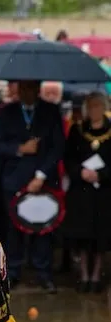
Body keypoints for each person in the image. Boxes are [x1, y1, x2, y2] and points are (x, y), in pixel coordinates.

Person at [0, 80, 65, 294]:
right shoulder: (8, 112)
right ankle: (13, 271)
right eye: (22, 89)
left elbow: (58, 146)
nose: (26, 93)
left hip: (43, 179)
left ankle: (44, 273)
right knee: (13, 229)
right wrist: (20, 148)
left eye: (31, 89)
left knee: (43, 227)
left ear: (38, 90)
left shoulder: (50, 112)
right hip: (14, 179)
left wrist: (41, 175)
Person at [63, 92, 111, 293]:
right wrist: (80, 172)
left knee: (100, 234)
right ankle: (83, 274)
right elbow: (68, 158)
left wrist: (101, 175)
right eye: (91, 107)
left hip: (104, 191)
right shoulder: (77, 129)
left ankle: (96, 274)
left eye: (98, 106)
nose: (95, 110)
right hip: (81, 190)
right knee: (83, 233)